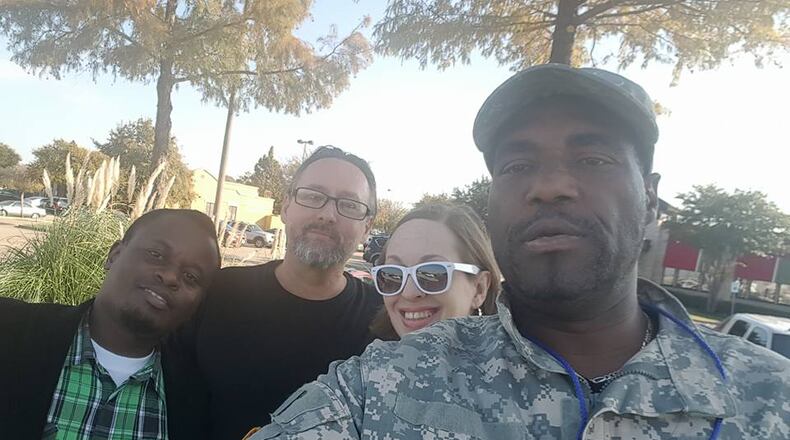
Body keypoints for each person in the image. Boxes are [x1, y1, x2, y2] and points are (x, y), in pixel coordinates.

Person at [248, 64, 790, 440]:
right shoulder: (385, 380)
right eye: (516, 165)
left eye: (594, 159)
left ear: (649, 197)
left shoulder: (768, 395)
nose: (549, 185)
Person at [179, 146, 383, 440]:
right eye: (313, 196)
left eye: (349, 205)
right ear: (286, 206)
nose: (327, 214)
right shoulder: (217, 292)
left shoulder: (383, 321)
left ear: (367, 227)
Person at [0, 209, 220, 439]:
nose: (170, 277)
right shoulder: (11, 332)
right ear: (114, 255)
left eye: (191, 277)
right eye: (156, 254)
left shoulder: (196, 402)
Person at [368, 203, 500, 340]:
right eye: (393, 275)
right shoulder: (368, 358)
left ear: (479, 289)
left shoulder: (514, 359)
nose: (409, 293)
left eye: (433, 274)